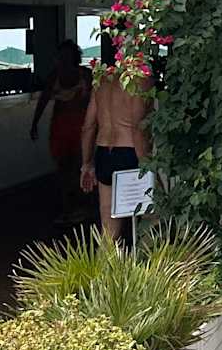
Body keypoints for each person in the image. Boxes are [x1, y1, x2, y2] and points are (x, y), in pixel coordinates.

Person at [78, 38, 151, 243]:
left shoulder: (102, 79)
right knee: (150, 222)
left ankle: (107, 265)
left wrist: (86, 164)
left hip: (105, 154)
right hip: (132, 152)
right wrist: (147, 164)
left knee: (109, 232)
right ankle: (149, 264)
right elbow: (137, 127)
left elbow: (88, 126)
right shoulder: (140, 79)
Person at [28, 40, 91, 224]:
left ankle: (81, 205)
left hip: (80, 127)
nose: (63, 59)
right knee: (63, 168)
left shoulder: (85, 74)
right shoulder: (54, 76)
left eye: (67, 55)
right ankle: (67, 207)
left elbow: (94, 101)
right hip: (60, 128)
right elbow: (43, 100)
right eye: (61, 56)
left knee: (80, 166)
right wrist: (34, 123)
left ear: (74, 56)